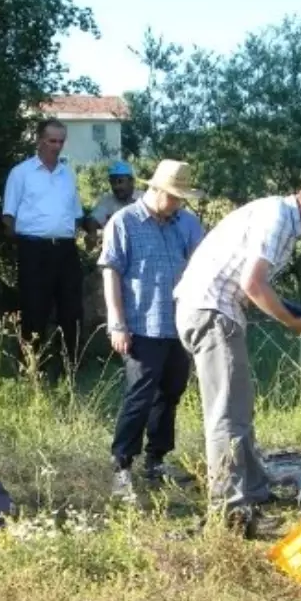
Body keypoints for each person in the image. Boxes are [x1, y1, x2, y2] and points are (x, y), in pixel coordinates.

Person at [173, 180, 301, 525]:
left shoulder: (274, 212)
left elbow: (250, 283)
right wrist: (290, 322)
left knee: (239, 408)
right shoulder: (279, 218)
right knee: (227, 416)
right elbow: (252, 285)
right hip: (212, 311)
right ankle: (231, 510)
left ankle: (253, 491)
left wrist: (290, 309)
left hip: (214, 309)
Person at [98, 159, 204, 502]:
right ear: (155, 188)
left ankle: (156, 460)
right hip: (141, 324)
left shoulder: (187, 223)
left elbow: (201, 265)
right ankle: (122, 467)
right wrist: (117, 322)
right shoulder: (124, 221)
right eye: (172, 196)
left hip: (178, 325)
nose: (177, 203)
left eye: (181, 197)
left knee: (171, 392)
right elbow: (111, 271)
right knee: (139, 395)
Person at [1, 118, 86, 370]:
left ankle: (70, 367)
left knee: (71, 309)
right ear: (39, 140)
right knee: (34, 308)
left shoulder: (67, 174)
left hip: (66, 248)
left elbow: (76, 213)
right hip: (34, 249)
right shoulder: (21, 173)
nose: (56, 146)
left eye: (61, 141)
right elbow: (8, 216)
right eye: (52, 141)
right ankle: (31, 367)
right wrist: (23, 245)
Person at [85, 160, 137, 237]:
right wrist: (92, 232)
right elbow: (93, 220)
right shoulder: (107, 200)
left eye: (120, 181)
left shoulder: (143, 199)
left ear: (131, 181)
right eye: (113, 182)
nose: (116, 187)